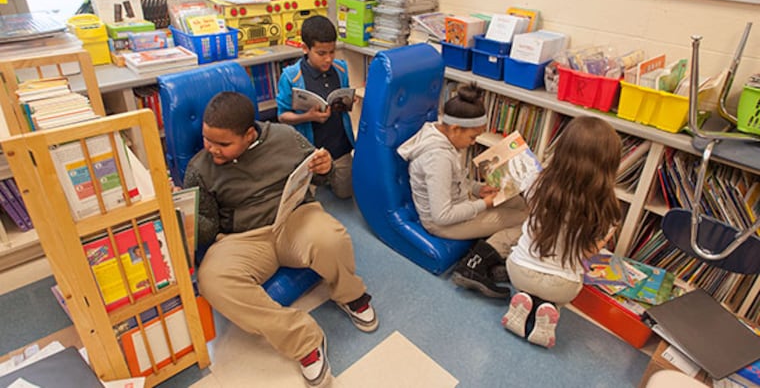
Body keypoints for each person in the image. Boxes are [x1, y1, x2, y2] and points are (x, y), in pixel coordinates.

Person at [184, 92, 377, 388]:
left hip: (293, 217)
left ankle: (350, 294)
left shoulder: (286, 138)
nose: (212, 149)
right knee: (211, 279)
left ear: (249, 134)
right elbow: (207, 229)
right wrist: (183, 217)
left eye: (223, 144)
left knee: (331, 238)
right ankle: (304, 340)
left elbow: (322, 177)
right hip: (243, 237)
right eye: (207, 140)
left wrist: (325, 168)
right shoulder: (200, 168)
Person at [397, 83, 530, 299]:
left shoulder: (443, 136)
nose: (473, 143)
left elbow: (455, 181)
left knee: (519, 204)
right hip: (444, 223)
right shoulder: (437, 157)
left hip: (461, 203)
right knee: (525, 219)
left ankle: (494, 255)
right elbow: (442, 216)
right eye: (472, 137)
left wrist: (479, 188)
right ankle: (473, 265)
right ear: (455, 128)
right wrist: (483, 204)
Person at [502, 116, 621, 349]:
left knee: (524, 262)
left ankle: (524, 297)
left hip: (519, 270)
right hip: (562, 286)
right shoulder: (609, 209)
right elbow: (587, 253)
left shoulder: (537, 183)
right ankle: (550, 308)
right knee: (566, 280)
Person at [277, 15, 355, 199]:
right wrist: (307, 117)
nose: (328, 59)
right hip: (309, 151)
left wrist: (348, 102)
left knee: (346, 194)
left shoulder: (341, 69)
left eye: (332, 52)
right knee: (307, 201)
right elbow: (282, 116)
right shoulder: (291, 77)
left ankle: (332, 176)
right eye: (321, 53)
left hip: (339, 147)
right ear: (305, 48)